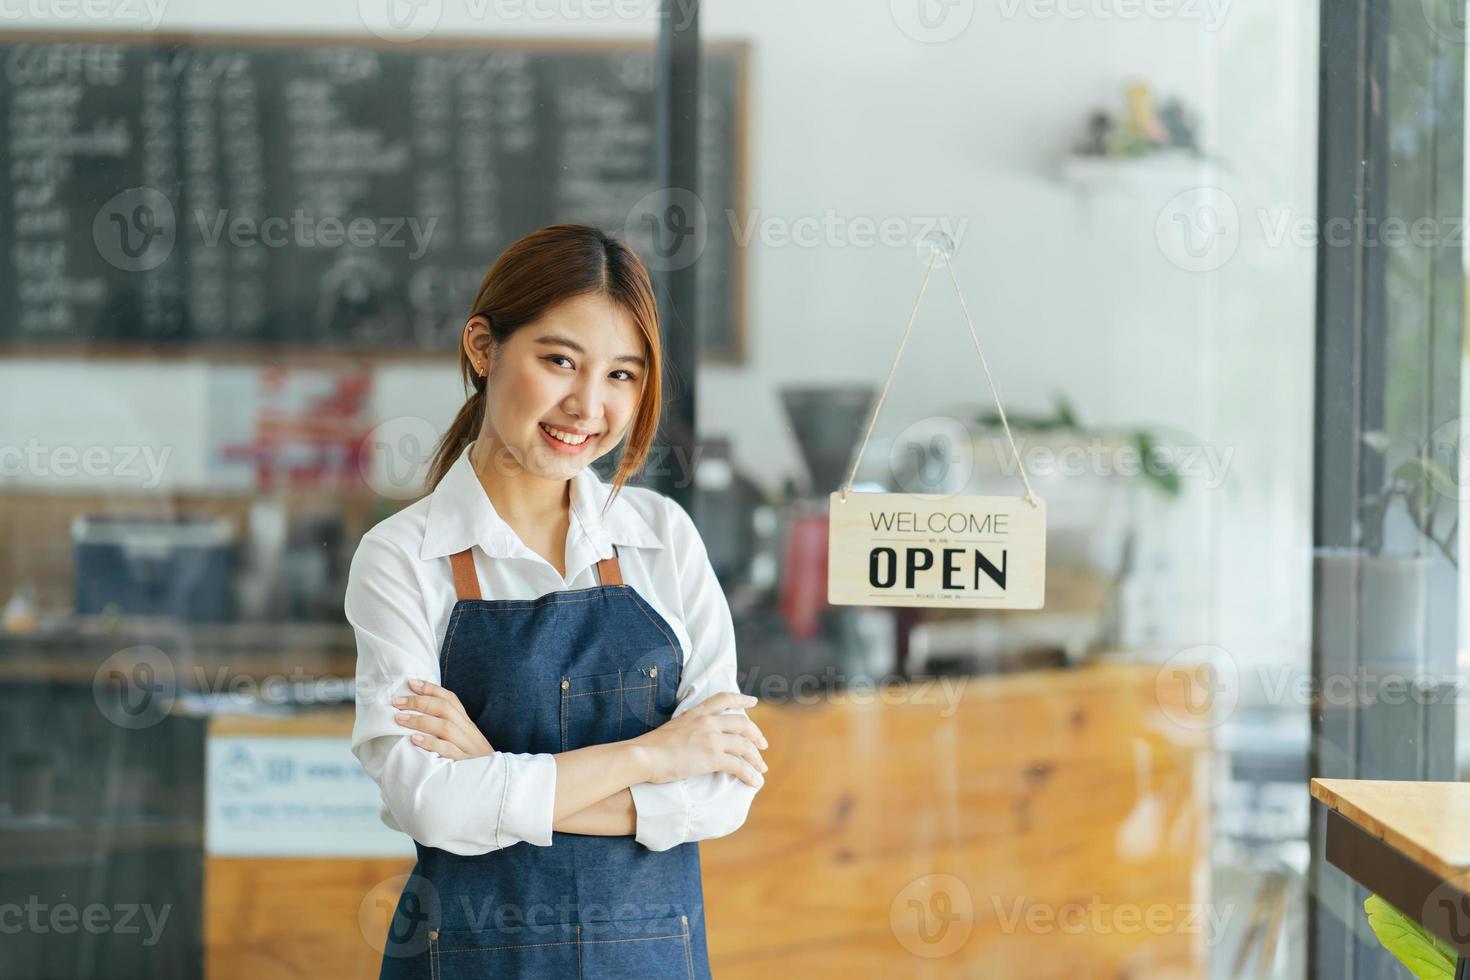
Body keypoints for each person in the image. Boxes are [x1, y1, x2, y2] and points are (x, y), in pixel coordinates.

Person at [345, 224, 768, 979]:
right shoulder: (402, 559)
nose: (588, 405)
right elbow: (430, 805)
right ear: (483, 347)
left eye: (622, 376)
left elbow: (722, 795)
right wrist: (653, 756)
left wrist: (496, 772)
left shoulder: (663, 540)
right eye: (560, 361)